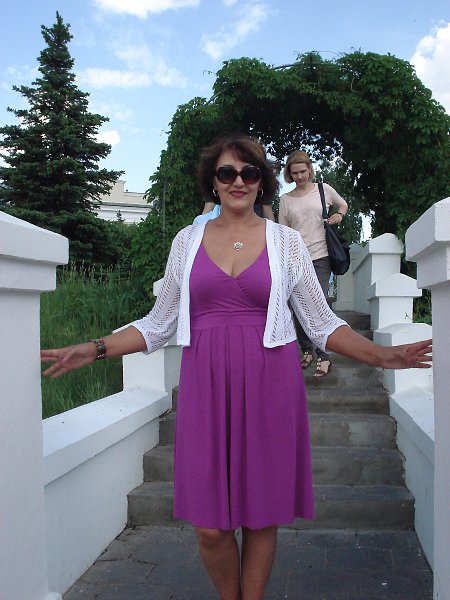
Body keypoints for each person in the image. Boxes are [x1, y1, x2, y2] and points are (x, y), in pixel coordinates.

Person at [41, 134, 432, 600]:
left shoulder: (286, 243)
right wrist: (96, 348)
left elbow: (322, 323)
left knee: (262, 515)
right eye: (227, 172)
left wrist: (384, 355)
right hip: (206, 386)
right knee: (210, 528)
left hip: (271, 384)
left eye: (249, 172)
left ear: (262, 181)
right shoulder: (187, 241)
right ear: (213, 181)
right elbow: (158, 323)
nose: (238, 181)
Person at [279, 150, 348, 378]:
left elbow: (343, 205)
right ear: (289, 174)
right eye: (295, 173)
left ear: (309, 169)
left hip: (321, 256)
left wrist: (339, 215)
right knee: (298, 304)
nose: (299, 176)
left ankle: (324, 355)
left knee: (320, 302)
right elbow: (283, 232)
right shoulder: (286, 200)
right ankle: (307, 349)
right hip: (297, 258)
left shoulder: (323, 189)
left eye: (303, 171)